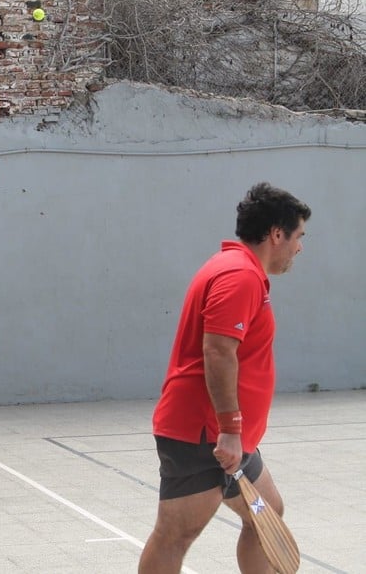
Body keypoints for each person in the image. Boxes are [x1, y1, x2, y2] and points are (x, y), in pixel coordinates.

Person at [139, 183, 311, 573]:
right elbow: (218, 351)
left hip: (227, 435)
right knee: (175, 535)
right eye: (298, 236)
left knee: (267, 514)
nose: (299, 247)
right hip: (206, 435)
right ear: (276, 234)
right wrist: (230, 429)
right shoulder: (239, 276)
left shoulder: (236, 268)